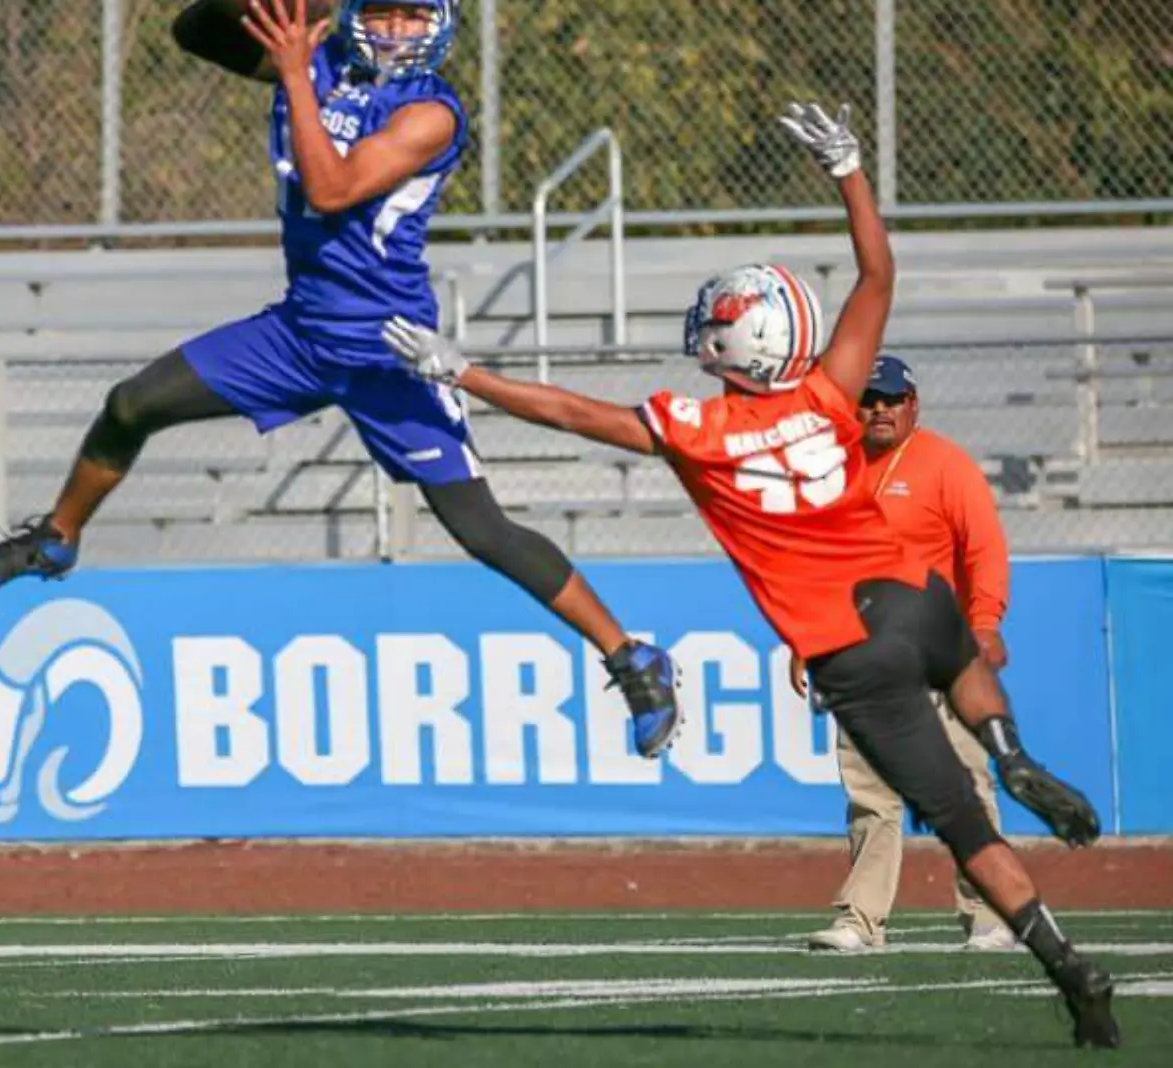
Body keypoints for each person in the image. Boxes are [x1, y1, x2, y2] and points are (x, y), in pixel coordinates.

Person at [382, 102, 1119, 1048]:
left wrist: (465, 373)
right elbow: (878, 274)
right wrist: (849, 169)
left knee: (959, 824)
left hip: (846, 649)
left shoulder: (699, 431)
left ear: (732, 345)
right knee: (954, 647)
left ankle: (1066, 963)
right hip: (910, 595)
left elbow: (570, 412)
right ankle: (1010, 747)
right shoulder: (828, 394)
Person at [0, 0, 680, 758]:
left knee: (480, 529)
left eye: (414, 16)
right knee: (132, 405)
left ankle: (631, 656)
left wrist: (296, 71)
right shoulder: (317, 53)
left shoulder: (432, 110)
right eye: (385, 14)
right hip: (298, 332)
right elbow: (195, 31)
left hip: (387, 348)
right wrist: (290, 23)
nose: (399, 31)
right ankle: (56, 538)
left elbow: (331, 191)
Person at [796, 355, 1019, 953]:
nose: (878, 409)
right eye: (868, 399)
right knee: (869, 792)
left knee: (966, 783)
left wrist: (986, 624)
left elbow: (985, 551)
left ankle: (990, 913)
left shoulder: (946, 465)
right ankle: (861, 919)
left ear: (913, 403)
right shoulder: (837, 471)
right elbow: (819, 561)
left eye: (890, 399)